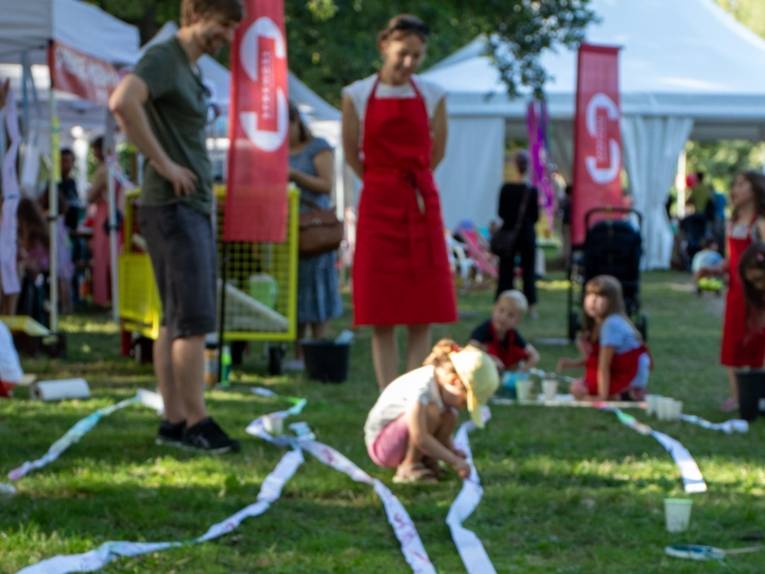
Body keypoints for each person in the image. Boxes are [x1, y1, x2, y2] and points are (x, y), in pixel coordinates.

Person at [109, 0, 243, 453]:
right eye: (221, 26)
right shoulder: (165, 57)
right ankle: (195, 422)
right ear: (195, 14)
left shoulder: (188, 67)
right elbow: (123, 101)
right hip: (175, 207)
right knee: (192, 319)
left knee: (174, 319)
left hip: (183, 207)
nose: (224, 37)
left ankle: (172, 419)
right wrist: (164, 164)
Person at [342, 14, 456, 389]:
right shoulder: (356, 95)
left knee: (420, 308)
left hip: (420, 203)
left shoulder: (434, 95)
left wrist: (411, 183)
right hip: (378, 204)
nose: (409, 63)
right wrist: (382, 182)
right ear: (384, 46)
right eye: (402, 54)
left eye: (417, 56)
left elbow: (437, 151)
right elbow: (351, 154)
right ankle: (388, 395)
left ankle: (415, 395)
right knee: (381, 309)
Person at [364, 340, 499, 483]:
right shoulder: (422, 388)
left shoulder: (441, 391)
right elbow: (420, 437)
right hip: (383, 447)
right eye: (464, 401)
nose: (463, 407)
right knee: (432, 412)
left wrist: (451, 450)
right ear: (454, 381)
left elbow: (437, 430)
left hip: (401, 440)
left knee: (450, 415)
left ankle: (427, 462)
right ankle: (408, 467)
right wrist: (453, 461)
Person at [287, 101, 342, 369]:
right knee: (293, 288)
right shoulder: (276, 151)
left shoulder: (318, 147)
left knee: (317, 285)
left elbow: (326, 184)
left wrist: (295, 175)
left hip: (315, 229)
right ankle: (297, 349)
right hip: (288, 231)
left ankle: (318, 345)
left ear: (297, 121)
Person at [557, 275, 651, 401]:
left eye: (601, 296)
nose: (593, 300)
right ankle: (623, 394)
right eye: (589, 294)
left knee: (578, 388)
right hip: (624, 373)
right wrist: (572, 363)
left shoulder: (611, 324)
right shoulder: (606, 322)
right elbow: (597, 360)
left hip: (627, 377)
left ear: (613, 302)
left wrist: (601, 396)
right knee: (579, 385)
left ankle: (622, 394)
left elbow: (604, 365)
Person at [718, 172, 765, 412]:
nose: (735, 189)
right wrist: (712, 270)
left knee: (758, 342)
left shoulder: (760, 223)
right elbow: (729, 261)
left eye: (740, 184)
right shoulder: (732, 223)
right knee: (733, 342)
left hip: (756, 292)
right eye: (733, 184)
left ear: (755, 189)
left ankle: (756, 395)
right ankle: (737, 395)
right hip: (735, 293)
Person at [495, 150, 540, 315]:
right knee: (528, 271)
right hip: (526, 234)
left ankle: (503, 303)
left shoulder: (506, 189)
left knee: (506, 271)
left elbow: (501, 213)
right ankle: (531, 305)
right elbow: (535, 216)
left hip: (509, 234)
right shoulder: (531, 191)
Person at [85, 136, 121, 308]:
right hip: (116, 214)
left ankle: (103, 298)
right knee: (112, 257)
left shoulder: (104, 170)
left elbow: (90, 196)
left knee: (101, 257)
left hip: (104, 215)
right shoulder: (117, 167)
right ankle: (112, 297)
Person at [469, 289, 539, 372]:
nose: (504, 317)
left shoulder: (512, 333)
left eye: (511, 315)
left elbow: (534, 355)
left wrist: (521, 372)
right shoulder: (484, 329)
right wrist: (490, 358)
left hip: (505, 371)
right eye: (501, 310)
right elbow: (470, 349)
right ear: (494, 308)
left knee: (519, 352)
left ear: (517, 321)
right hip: (483, 371)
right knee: (481, 348)